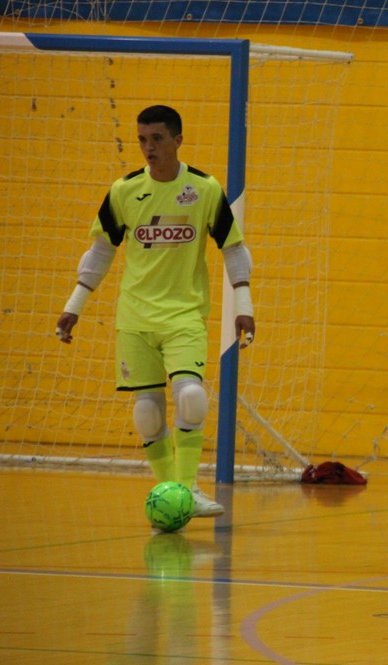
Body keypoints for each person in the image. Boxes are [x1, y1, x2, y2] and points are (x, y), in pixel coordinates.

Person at [55, 105, 256, 520]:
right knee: (147, 412)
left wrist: (244, 305)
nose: (149, 148)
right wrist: (74, 305)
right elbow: (101, 251)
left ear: (178, 140)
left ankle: (188, 489)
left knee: (191, 398)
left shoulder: (204, 189)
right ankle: (171, 496)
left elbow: (233, 249)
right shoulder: (124, 191)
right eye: (143, 139)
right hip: (135, 318)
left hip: (184, 315)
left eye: (158, 139)